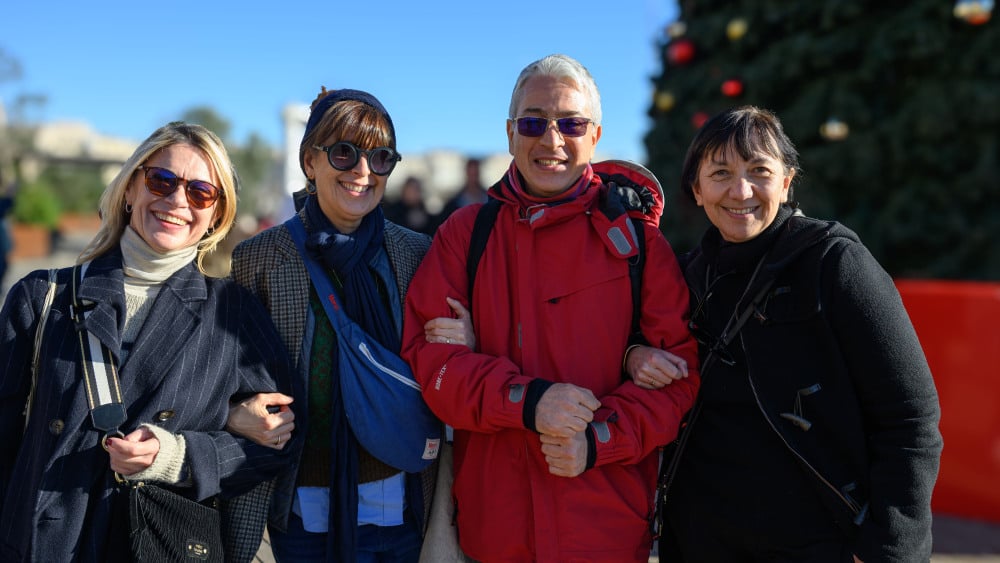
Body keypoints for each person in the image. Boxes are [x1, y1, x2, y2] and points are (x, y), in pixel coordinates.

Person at [400, 54, 700, 562]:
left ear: (596, 135)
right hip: (494, 531)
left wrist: (597, 439)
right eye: (534, 122)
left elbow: (679, 379)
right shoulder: (465, 235)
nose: (552, 140)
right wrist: (530, 401)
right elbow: (433, 368)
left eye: (571, 123)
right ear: (510, 133)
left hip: (605, 530)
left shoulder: (639, 244)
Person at [631, 106, 942, 562]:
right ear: (697, 190)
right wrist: (633, 355)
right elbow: (628, 351)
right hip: (698, 540)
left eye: (759, 170)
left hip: (817, 543)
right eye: (720, 173)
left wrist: (892, 549)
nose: (741, 191)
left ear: (787, 181)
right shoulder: (682, 279)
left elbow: (910, 418)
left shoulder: (833, 262)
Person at [0, 121, 295, 562]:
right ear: (130, 188)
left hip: (155, 545)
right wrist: (226, 415)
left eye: (200, 192)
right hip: (40, 544)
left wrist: (178, 455)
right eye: (162, 180)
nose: (177, 201)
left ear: (216, 214)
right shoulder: (41, 297)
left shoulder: (233, 313)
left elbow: (279, 439)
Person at [226, 87, 471, 563]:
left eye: (380, 158)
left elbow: (441, 369)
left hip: (402, 506)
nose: (362, 171)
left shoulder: (417, 254)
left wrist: (466, 342)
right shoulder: (259, 258)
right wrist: (237, 411)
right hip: (298, 512)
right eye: (344, 153)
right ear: (309, 161)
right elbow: (230, 372)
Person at [433, 157, 486, 229]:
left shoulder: (489, 199)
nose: (473, 178)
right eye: (471, 174)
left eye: (475, 174)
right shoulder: (454, 203)